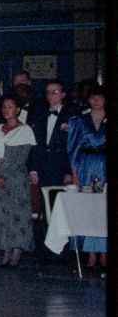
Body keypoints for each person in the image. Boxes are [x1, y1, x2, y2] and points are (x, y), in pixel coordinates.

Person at [0, 93, 36, 267]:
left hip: (15, 180)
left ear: (18, 110)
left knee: (17, 215)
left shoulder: (25, 131)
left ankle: (17, 251)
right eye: (4, 107)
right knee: (1, 215)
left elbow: (21, 159)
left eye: (10, 107)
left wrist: (4, 176)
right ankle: (5, 249)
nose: (6, 110)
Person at [66, 86, 107, 268]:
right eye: (93, 98)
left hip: (105, 166)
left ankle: (104, 252)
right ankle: (90, 252)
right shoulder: (79, 121)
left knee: (104, 210)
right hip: (86, 167)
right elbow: (73, 149)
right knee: (88, 209)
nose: (96, 101)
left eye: (99, 97)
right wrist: (75, 174)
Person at [28, 79, 76, 190]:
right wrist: (33, 169)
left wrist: (69, 171)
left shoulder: (71, 116)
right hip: (42, 168)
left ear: (63, 95)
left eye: (54, 92)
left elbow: (73, 147)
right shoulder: (40, 116)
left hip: (61, 168)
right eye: (48, 92)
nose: (50, 95)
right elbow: (35, 144)